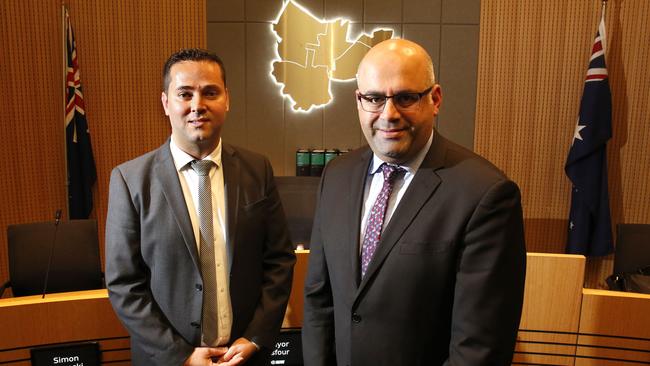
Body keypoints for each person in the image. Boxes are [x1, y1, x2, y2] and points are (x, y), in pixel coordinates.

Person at [302, 39, 526, 365]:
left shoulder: (486, 194)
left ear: (435, 99)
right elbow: (318, 301)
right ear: (359, 101)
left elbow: (479, 349)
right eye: (375, 99)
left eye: (406, 98)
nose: (389, 114)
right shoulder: (336, 176)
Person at [105, 48, 295, 366]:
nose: (198, 106)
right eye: (184, 94)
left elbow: (279, 261)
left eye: (210, 92)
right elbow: (124, 284)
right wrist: (182, 356)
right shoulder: (130, 180)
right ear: (166, 103)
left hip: (243, 357)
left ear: (227, 100)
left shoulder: (257, 169)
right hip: (167, 360)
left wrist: (255, 337)